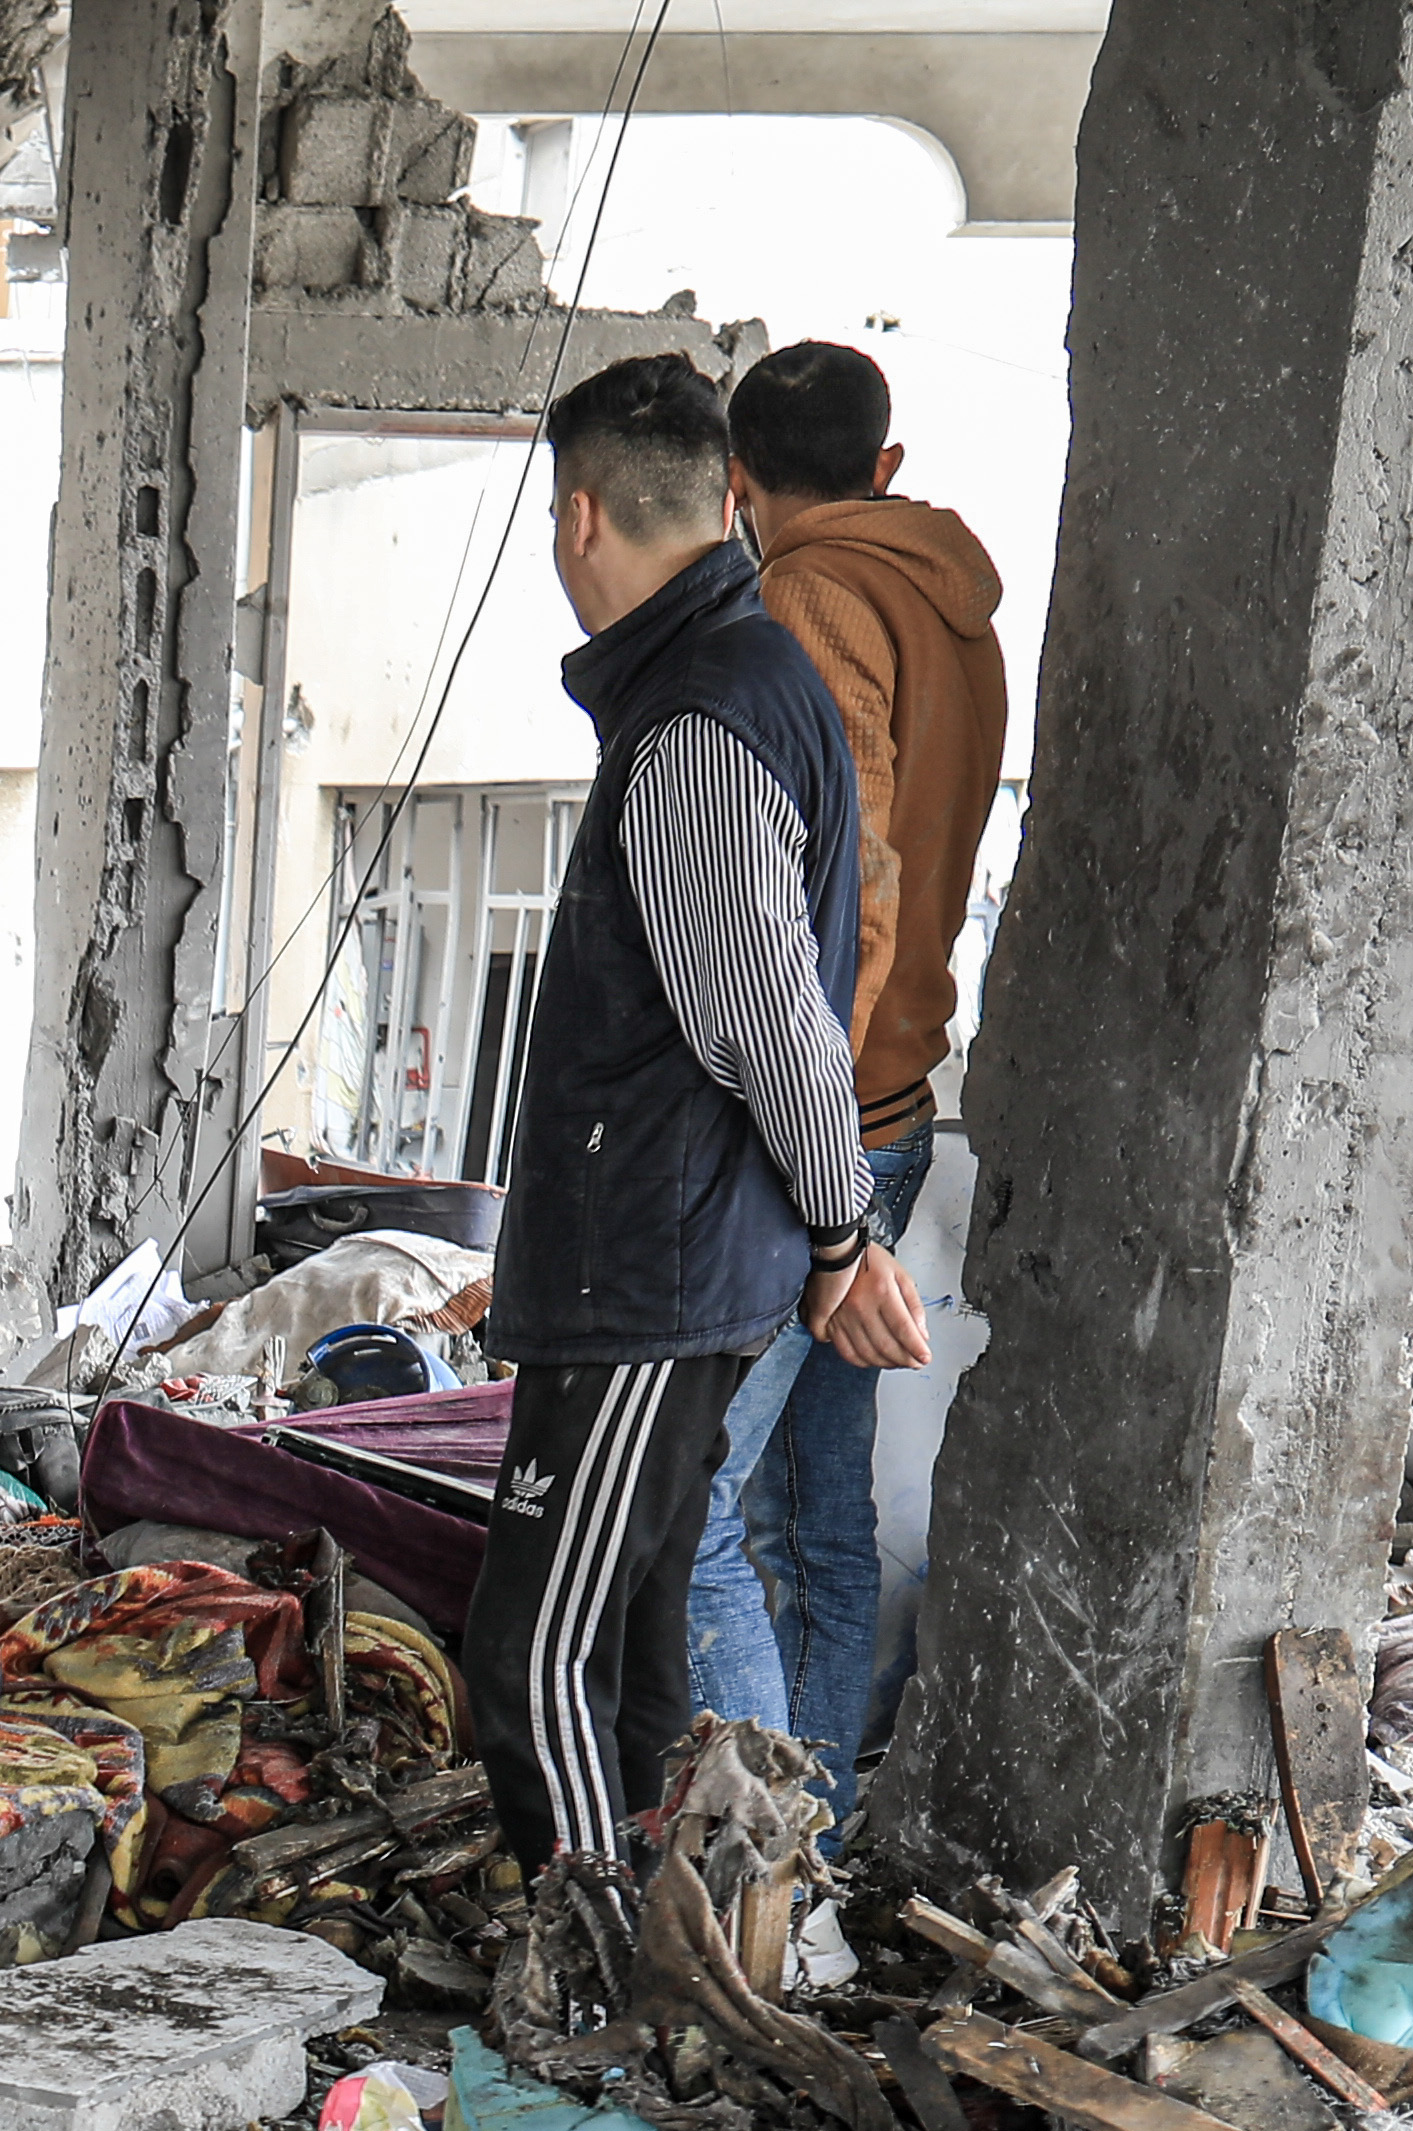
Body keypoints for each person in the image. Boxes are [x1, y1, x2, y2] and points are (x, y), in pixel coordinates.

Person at [463, 352, 928, 1894]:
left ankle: (600, 1970)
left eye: (552, 516)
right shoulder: (736, 674)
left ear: (579, 516)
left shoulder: (696, 726)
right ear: (726, 499)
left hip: (646, 1273)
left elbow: (768, 1021)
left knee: (535, 1656)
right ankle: (695, 1960)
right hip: (679, 1253)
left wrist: (841, 1227)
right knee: (644, 1643)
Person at [672, 337, 1009, 1823]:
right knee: (817, 1512)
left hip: (825, 1125)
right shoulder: (954, 614)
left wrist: (806, 1175)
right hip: (898, 1101)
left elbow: (846, 897)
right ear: (885, 471)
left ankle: (755, 1858)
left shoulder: (805, 607)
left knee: (689, 1518)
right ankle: (810, 1846)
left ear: (736, 486)